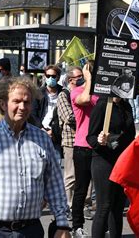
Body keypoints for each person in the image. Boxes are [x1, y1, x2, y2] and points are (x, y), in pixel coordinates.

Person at [0, 77, 71, 238]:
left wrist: (62, 223)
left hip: (31, 231)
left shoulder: (42, 139)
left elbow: (54, 184)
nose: (22, 107)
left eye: (27, 102)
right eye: (16, 101)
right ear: (3, 104)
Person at [87, 96, 136, 237]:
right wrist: (99, 140)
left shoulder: (126, 107)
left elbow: (130, 134)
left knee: (117, 207)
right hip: (104, 160)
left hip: (122, 161)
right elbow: (90, 137)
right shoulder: (101, 106)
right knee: (104, 206)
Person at [70, 61, 99, 237]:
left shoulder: (101, 93)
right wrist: (88, 79)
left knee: (103, 190)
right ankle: (77, 226)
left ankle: (101, 225)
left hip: (100, 145)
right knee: (81, 188)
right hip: (82, 146)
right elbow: (86, 100)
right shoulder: (77, 92)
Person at [57, 66, 80, 211]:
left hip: (85, 139)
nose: (82, 79)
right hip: (70, 140)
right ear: (71, 79)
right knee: (70, 175)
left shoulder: (84, 93)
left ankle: (85, 204)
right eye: (79, 77)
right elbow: (69, 117)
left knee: (85, 175)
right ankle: (69, 205)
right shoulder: (64, 95)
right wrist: (87, 119)